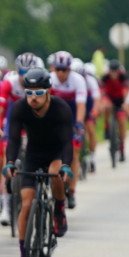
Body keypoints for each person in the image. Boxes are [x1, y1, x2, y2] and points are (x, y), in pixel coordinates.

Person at [4, 68, 73, 257]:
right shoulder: (19, 108)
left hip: (56, 154)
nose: (33, 98)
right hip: (33, 156)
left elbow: (67, 142)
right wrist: (9, 163)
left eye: (38, 92)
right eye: (29, 92)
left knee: (54, 172)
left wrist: (67, 165)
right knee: (26, 204)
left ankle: (59, 209)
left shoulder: (61, 109)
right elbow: (14, 139)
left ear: (48, 92)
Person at [0, 53, 39, 225]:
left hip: (33, 122)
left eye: (27, 73)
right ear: (16, 71)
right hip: (13, 120)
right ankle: (6, 207)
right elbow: (1, 108)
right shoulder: (9, 83)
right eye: (21, 72)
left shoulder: (40, 83)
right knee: (8, 159)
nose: (24, 77)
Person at [49, 51, 86, 209]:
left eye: (64, 70)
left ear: (69, 70)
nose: (61, 73)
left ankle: (71, 190)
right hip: (54, 118)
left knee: (74, 154)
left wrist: (79, 123)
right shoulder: (49, 79)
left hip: (71, 118)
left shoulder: (78, 80)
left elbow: (81, 104)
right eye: (58, 69)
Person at [101, 59, 129, 160]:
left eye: (115, 70)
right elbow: (101, 90)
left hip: (120, 99)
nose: (113, 73)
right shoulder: (105, 76)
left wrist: (125, 104)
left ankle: (122, 149)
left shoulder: (123, 77)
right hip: (109, 97)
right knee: (106, 105)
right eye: (112, 70)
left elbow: (126, 92)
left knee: (122, 122)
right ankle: (106, 126)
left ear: (118, 70)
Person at [77, 60, 101, 173]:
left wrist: (95, 111)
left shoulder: (90, 80)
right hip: (76, 106)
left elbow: (97, 97)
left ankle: (92, 157)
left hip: (89, 105)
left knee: (90, 129)